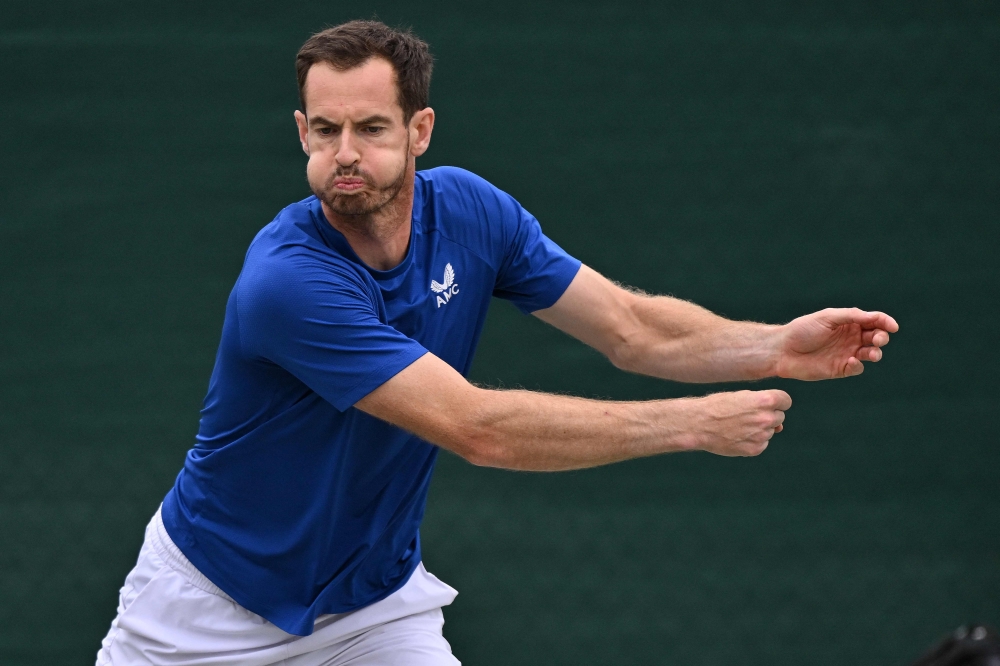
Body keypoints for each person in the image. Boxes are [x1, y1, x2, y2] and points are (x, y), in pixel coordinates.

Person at [95, 19, 899, 666]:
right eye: (327, 130)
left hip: (372, 610)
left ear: (420, 130)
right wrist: (690, 424)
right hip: (206, 613)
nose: (346, 154)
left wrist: (773, 346)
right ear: (302, 131)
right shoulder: (289, 282)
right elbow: (478, 429)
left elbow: (628, 326)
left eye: (371, 128)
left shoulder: (474, 213)